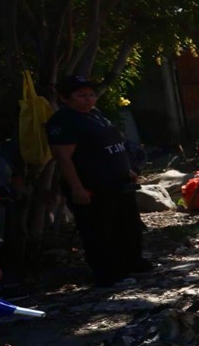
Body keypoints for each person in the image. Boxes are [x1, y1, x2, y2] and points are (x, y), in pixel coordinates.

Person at [46, 74, 148, 287]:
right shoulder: (63, 122)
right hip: (92, 186)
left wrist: (127, 169)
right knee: (99, 230)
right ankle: (107, 272)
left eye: (91, 94)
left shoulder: (96, 115)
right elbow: (63, 158)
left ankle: (132, 262)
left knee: (127, 226)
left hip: (119, 182)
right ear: (65, 98)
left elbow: (113, 143)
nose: (89, 99)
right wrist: (77, 188)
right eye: (81, 95)